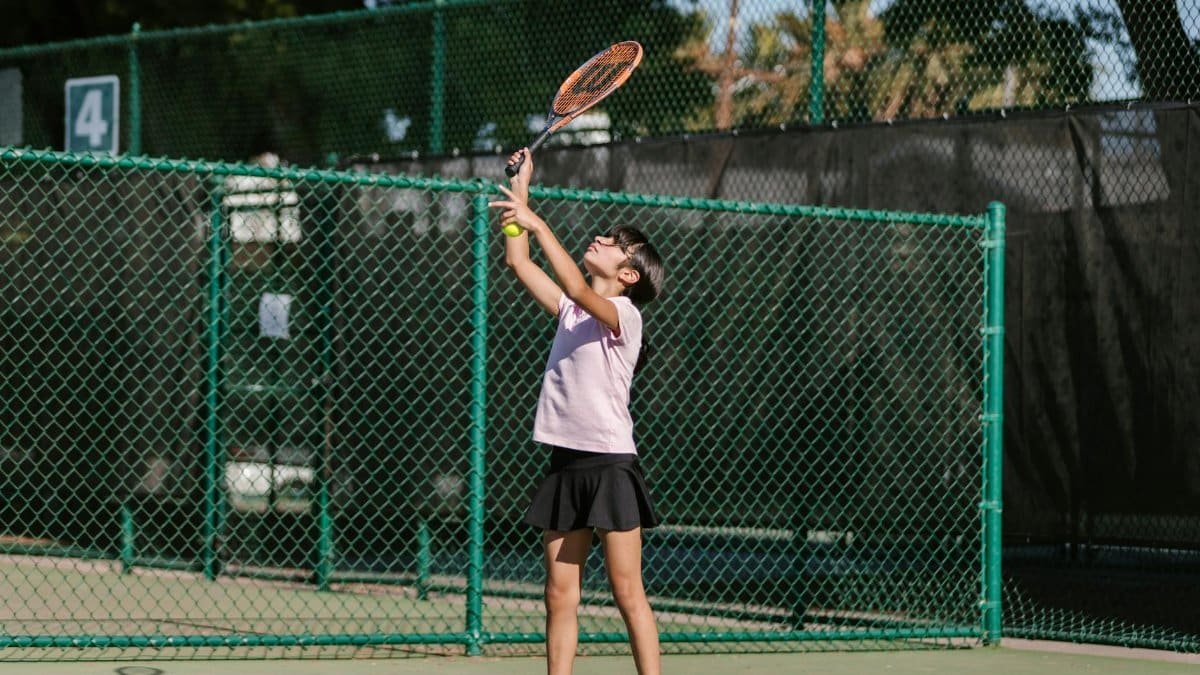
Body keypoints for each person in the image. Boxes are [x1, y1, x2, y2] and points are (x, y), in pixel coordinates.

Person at [489, 148, 665, 675]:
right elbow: (519, 262)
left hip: (611, 467)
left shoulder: (625, 318)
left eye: (615, 244)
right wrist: (522, 189)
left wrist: (538, 223)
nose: (603, 240)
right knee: (559, 594)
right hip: (565, 463)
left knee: (626, 589)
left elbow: (573, 285)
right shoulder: (572, 314)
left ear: (629, 274)